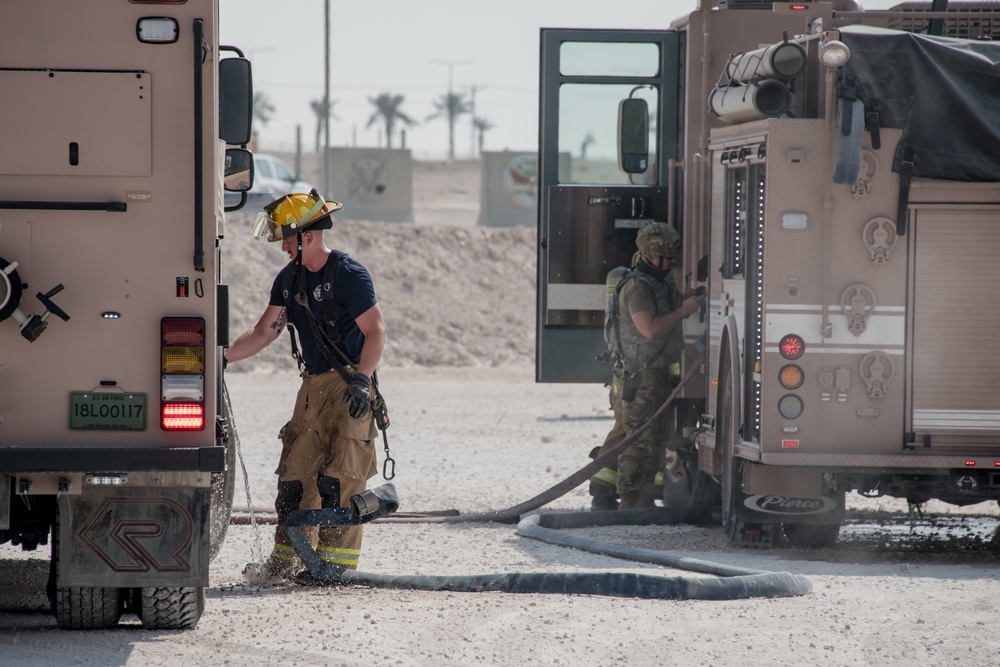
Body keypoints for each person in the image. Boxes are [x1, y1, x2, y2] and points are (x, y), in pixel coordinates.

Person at [225, 189, 386, 578]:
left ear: (307, 237)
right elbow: (265, 331)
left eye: (286, 238)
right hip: (312, 388)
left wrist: (363, 381)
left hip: (348, 385)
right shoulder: (288, 279)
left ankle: (333, 568)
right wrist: (222, 358)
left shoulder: (349, 275)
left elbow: (376, 332)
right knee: (295, 479)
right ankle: (287, 562)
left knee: (340, 478)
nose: (282, 247)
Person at [589, 222, 699, 510]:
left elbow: (664, 312)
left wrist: (692, 300)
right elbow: (649, 328)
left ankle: (609, 488)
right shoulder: (637, 287)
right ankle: (634, 502)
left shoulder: (658, 282)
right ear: (653, 255)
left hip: (652, 376)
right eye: (668, 256)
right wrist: (684, 312)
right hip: (641, 378)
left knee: (647, 437)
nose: (673, 261)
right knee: (641, 443)